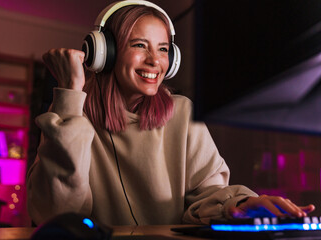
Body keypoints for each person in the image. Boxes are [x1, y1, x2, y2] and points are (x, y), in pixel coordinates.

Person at [27, 0, 315, 226]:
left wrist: (240, 205)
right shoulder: (71, 116)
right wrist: (70, 94)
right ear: (106, 52)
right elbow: (55, 215)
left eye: (163, 49)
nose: (155, 61)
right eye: (139, 45)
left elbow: (208, 196)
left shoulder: (182, 113)